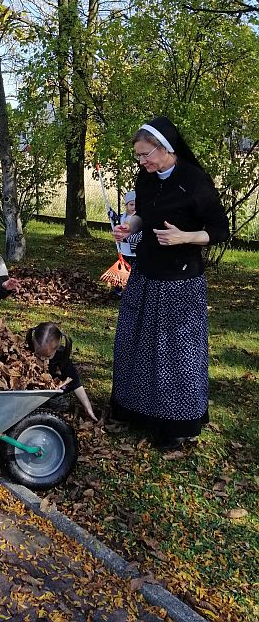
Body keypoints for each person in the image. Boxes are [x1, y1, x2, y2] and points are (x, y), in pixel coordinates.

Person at [110, 116, 229, 450]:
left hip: (181, 281)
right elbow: (144, 216)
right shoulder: (145, 178)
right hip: (146, 274)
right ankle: (137, 412)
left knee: (177, 354)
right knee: (138, 347)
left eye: (146, 154)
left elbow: (220, 230)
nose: (143, 162)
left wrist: (183, 237)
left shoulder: (194, 180)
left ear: (167, 149)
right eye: (138, 156)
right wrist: (129, 227)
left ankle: (177, 425)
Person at [26, 322, 98, 422]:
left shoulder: (61, 356)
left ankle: (45, 404)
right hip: (30, 392)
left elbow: (76, 383)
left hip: (51, 392)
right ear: (33, 342)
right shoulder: (27, 349)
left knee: (63, 405)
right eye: (38, 354)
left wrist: (88, 407)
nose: (42, 358)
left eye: (47, 356)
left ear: (57, 348)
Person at [109, 190, 142, 298]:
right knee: (120, 270)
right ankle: (118, 290)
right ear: (126, 205)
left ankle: (133, 292)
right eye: (131, 204)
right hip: (123, 251)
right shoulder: (122, 217)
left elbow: (139, 236)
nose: (134, 207)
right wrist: (111, 215)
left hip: (134, 253)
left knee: (134, 273)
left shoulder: (140, 220)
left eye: (136, 204)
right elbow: (115, 224)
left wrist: (125, 239)